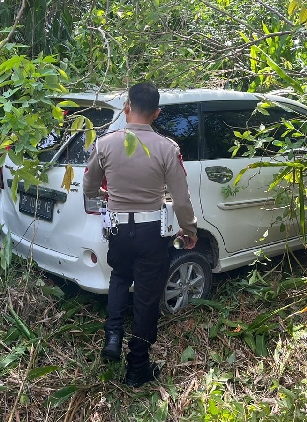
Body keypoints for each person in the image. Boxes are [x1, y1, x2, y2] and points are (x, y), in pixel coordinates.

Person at [82, 82, 198, 387]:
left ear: (126, 107)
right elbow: (181, 198)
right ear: (157, 113)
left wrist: (106, 197)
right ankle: (137, 368)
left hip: (118, 230)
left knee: (119, 277)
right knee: (147, 297)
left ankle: (113, 335)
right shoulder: (166, 148)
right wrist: (189, 229)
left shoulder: (105, 144)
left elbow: (89, 188)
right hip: (152, 233)